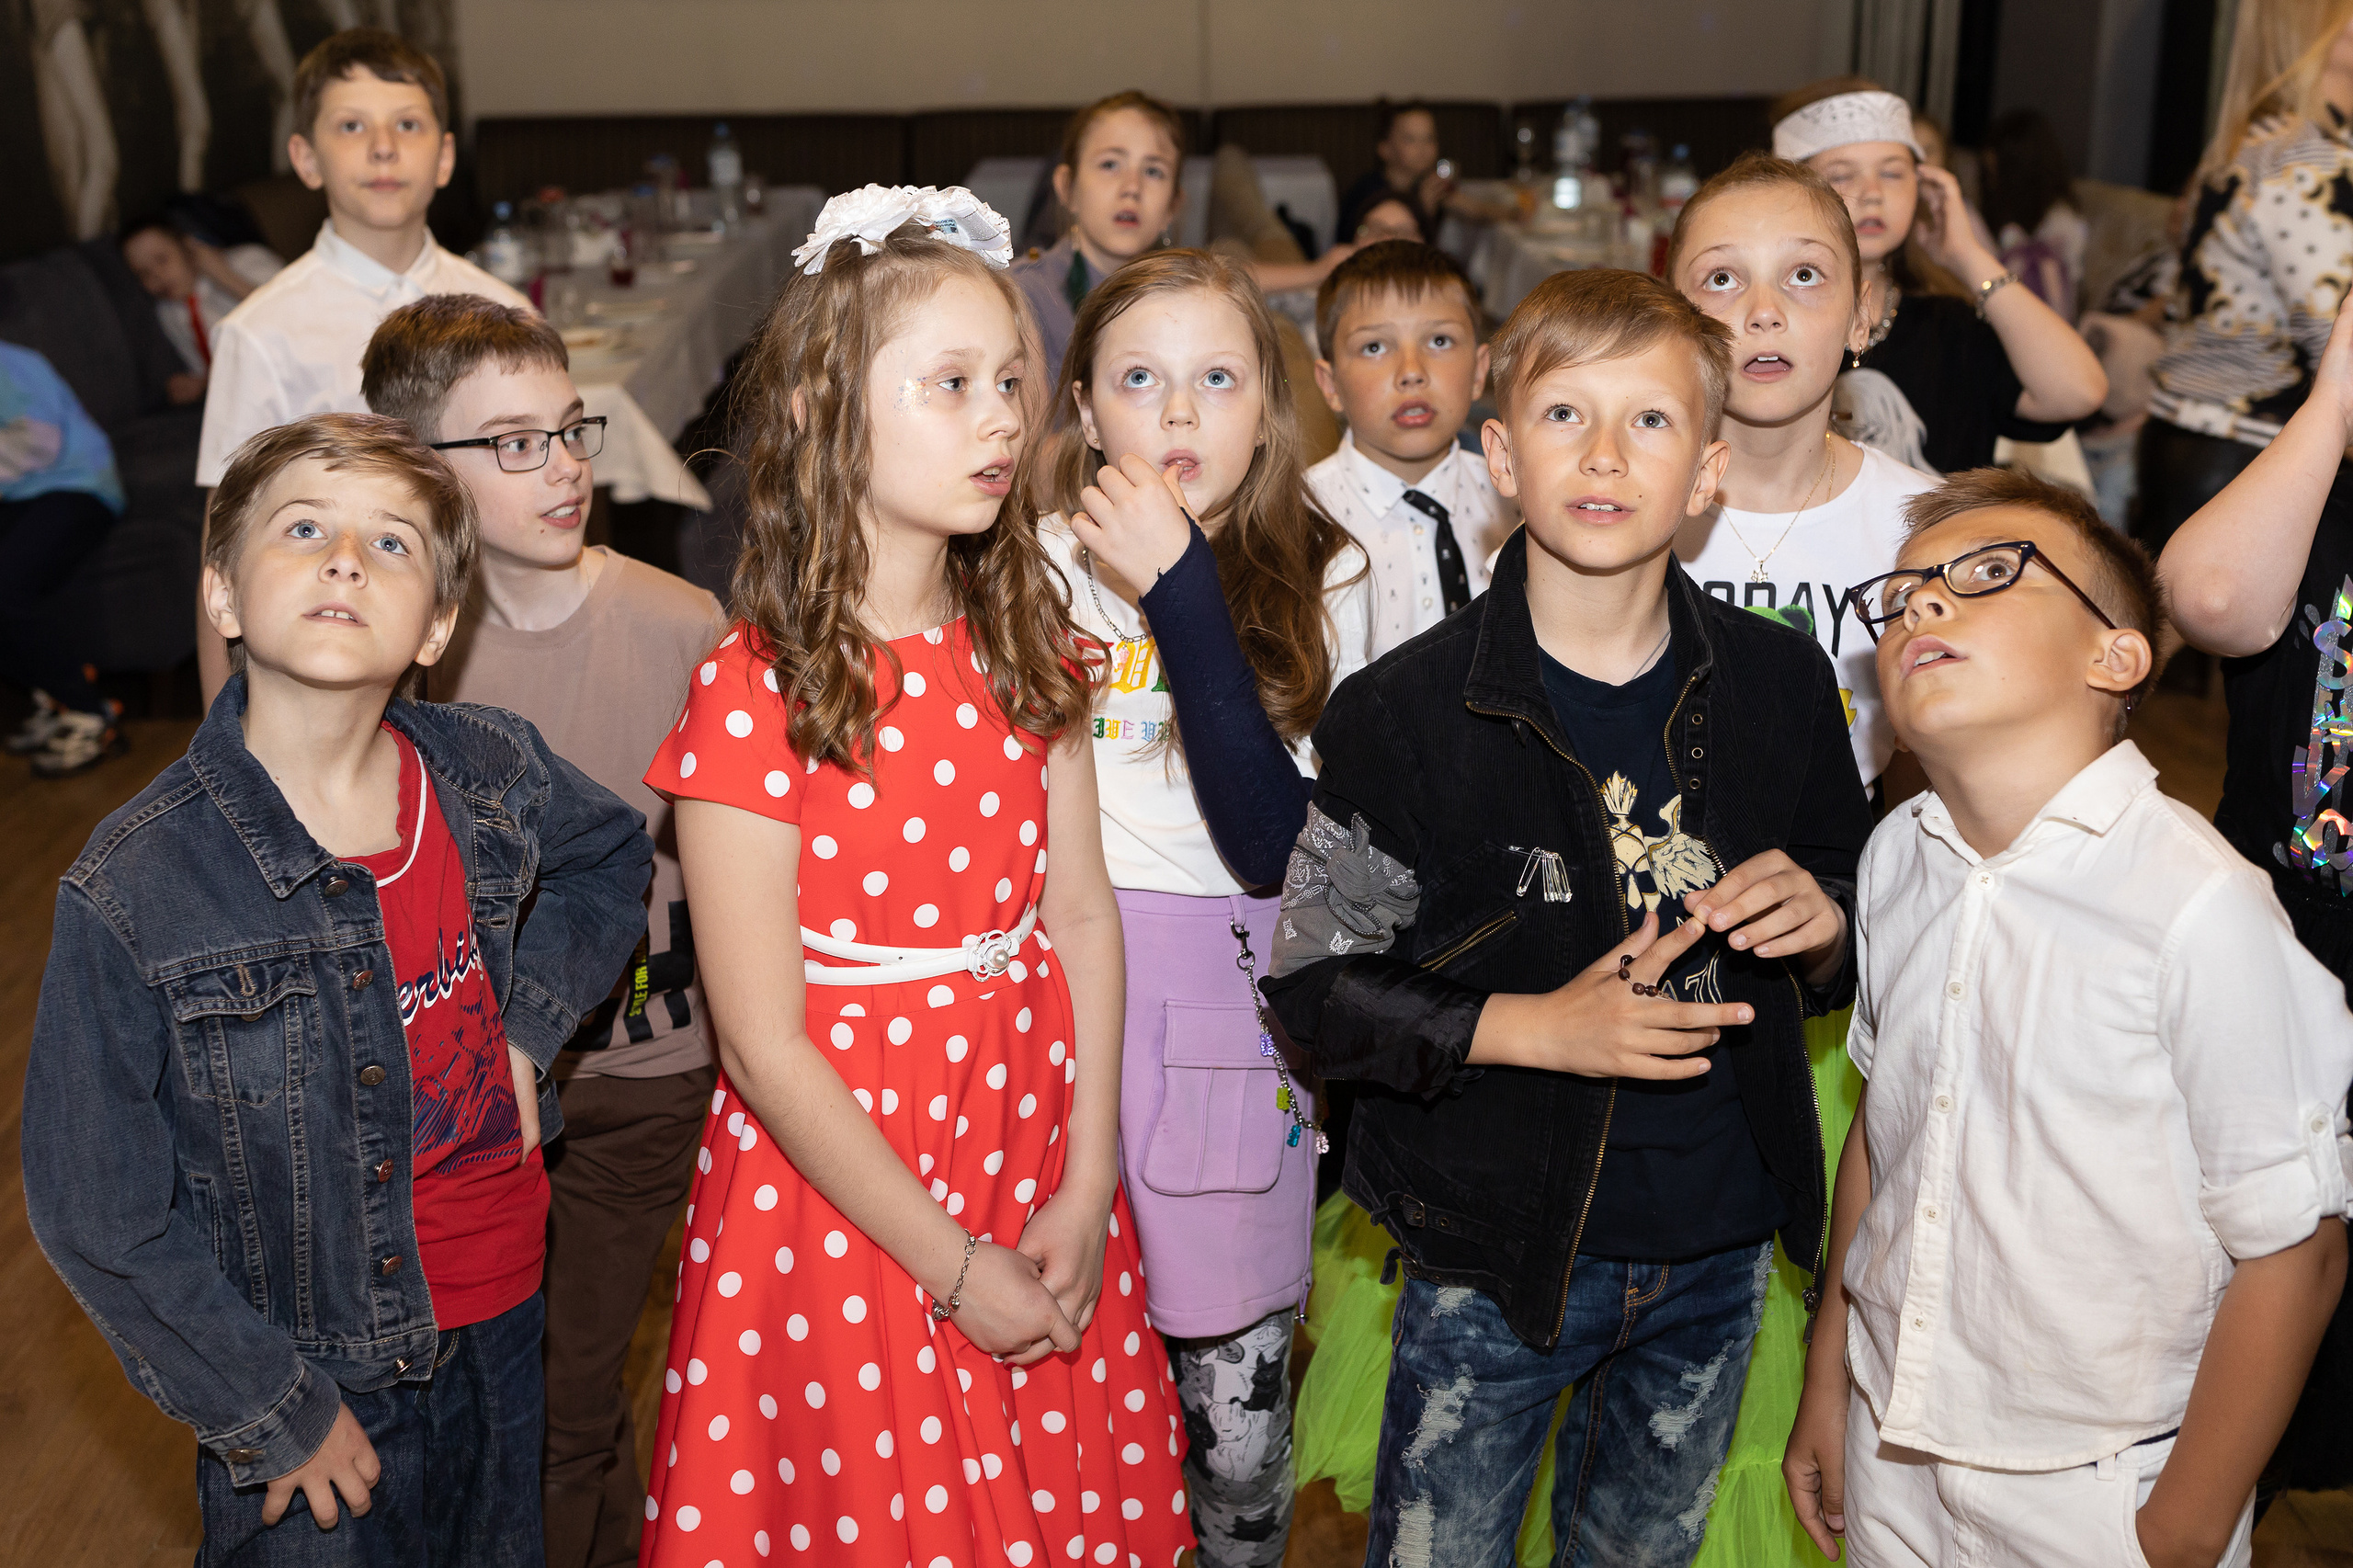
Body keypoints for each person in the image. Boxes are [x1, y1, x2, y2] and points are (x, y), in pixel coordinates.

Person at [1263, 268, 1874, 1567]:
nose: (1605, 454)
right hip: (1490, 1252)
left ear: (1706, 471)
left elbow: (1852, 904)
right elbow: (1317, 984)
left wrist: (1824, 922)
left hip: (1715, 1249)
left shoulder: (1779, 682)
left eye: (1649, 422)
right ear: (1499, 455)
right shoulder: (1400, 711)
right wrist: (1536, 1027)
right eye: (1563, 417)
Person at [633, 185, 1195, 1568]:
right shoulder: (755, 688)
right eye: (950, 384)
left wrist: (1085, 1176)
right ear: (831, 409)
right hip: (848, 1193)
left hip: (1030, 1137)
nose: (1004, 416)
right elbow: (764, 1047)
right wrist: (951, 1265)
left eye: (1011, 381)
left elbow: (1077, 914)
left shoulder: (1030, 642)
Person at [23, 411, 654, 1562]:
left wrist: (526, 1030)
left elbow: (609, 854)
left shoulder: (489, 767)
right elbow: (96, 1205)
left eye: (393, 543)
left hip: (507, 1311)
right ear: (221, 596)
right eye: (304, 527)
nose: (345, 560)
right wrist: (269, 1406)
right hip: (308, 1366)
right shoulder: (135, 884)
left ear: (439, 626)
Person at [1786, 466, 2353, 1568]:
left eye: (1986, 575)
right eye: (1899, 598)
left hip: (2102, 1478)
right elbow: (1884, 1126)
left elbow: (2297, 1247)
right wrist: (1829, 1373)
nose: (1924, 605)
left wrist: (2179, 1526)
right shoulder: (1898, 852)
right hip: (1892, 1446)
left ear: (2115, 654)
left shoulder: (2200, 906)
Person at [358, 293, 725, 1568]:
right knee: (503, 1394)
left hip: (642, 1073)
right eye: (515, 442)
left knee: (565, 1400)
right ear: (417, 468)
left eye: (571, 430)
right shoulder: (398, 658)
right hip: (454, 1098)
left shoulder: (687, 628)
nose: (566, 464)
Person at [1032, 247, 1372, 1564]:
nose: (1177, 415)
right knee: (1070, 1378)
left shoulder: (1327, 575)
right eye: (1140, 379)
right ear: (1081, 408)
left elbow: (1272, 845)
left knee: (1231, 1422)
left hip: (1220, 994)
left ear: (1270, 409)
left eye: (1216, 378)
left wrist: (1182, 585)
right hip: (1050, 991)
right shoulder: (1030, 566)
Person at [2159, 290, 2353, 1515]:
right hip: (2292, 977)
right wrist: (2331, 401)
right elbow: (2212, 599)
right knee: (2277, 1264)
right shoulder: (2314, 493)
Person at [194, 27, 531, 706]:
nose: (383, 147)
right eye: (351, 126)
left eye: (407, 125)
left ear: (443, 158)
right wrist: (219, 733)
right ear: (306, 158)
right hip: (332, 652)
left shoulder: (507, 312)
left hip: (492, 643)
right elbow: (223, 541)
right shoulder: (261, 330)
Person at [1667, 153, 1934, 795]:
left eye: (1805, 274)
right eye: (1723, 278)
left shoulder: (1924, 525)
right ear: (1671, 316)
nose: (1764, 311)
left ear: (1860, 318)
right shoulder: (1611, 511)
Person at [1771, 79, 2104, 475]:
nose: (1873, 193)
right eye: (1842, 176)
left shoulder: (1949, 328)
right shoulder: (1766, 323)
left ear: (1923, 187)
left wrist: (1967, 256)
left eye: (1893, 174)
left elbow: (2079, 393)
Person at [2140, 0, 2353, 561]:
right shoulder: (2305, 160)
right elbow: (2339, 341)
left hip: (2202, 440)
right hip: (2250, 454)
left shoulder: (2257, 142)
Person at [1306, 239, 1516, 658]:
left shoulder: (1519, 503)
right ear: (1330, 386)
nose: (1411, 372)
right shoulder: (1298, 520)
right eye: (1374, 347)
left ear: (1479, 372)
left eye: (1439, 341)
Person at [0, 340, 130, 778]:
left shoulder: (14, 364)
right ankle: (51, 694)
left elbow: (39, 442)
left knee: (8, 586)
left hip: (77, 485)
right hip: (18, 496)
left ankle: (89, 711)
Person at [1012, 92, 1188, 388]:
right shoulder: (1022, 296)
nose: (1132, 187)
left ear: (1172, 206)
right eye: (1110, 165)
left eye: (1153, 171)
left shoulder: (1184, 299)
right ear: (1067, 187)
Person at [121, 215, 284, 405]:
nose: (157, 276)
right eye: (144, 273)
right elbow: (209, 369)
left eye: (162, 260)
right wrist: (198, 384)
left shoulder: (247, 260)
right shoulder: (168, 313)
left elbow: (292, 318)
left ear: (188, 248)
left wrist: (224, 276)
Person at [1980, 110, 2087, 323]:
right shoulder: (2011, 210)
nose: (1992, 183)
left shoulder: (2062, 222)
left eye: (1997, 172)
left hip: (2043, 316)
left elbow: (2053, 292)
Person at [1336, 102, 1451, 248]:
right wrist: (1424, 212)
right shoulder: (1369, 193)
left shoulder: (1425, 187)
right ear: (1385, 149)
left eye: (1429, 138)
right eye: (1410, 139)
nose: (1423, 148)